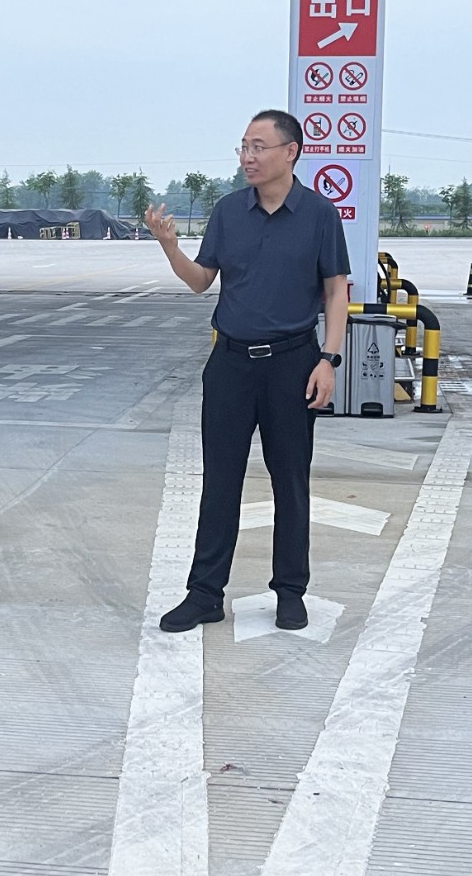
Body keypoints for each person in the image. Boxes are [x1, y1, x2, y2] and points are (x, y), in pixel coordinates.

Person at [149, 109, 349, 634]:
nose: (248, 157)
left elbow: (336, 292)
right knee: (220, 481)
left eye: (259, 147)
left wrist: (328, 360)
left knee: (291, 481)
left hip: (293, 364)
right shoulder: (228, 212)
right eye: (243, 147)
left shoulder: (319, 215)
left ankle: (290, 591)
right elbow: (201, 281)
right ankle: (204, 593)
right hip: (231, 364)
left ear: (291, 152)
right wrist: (170, 246)